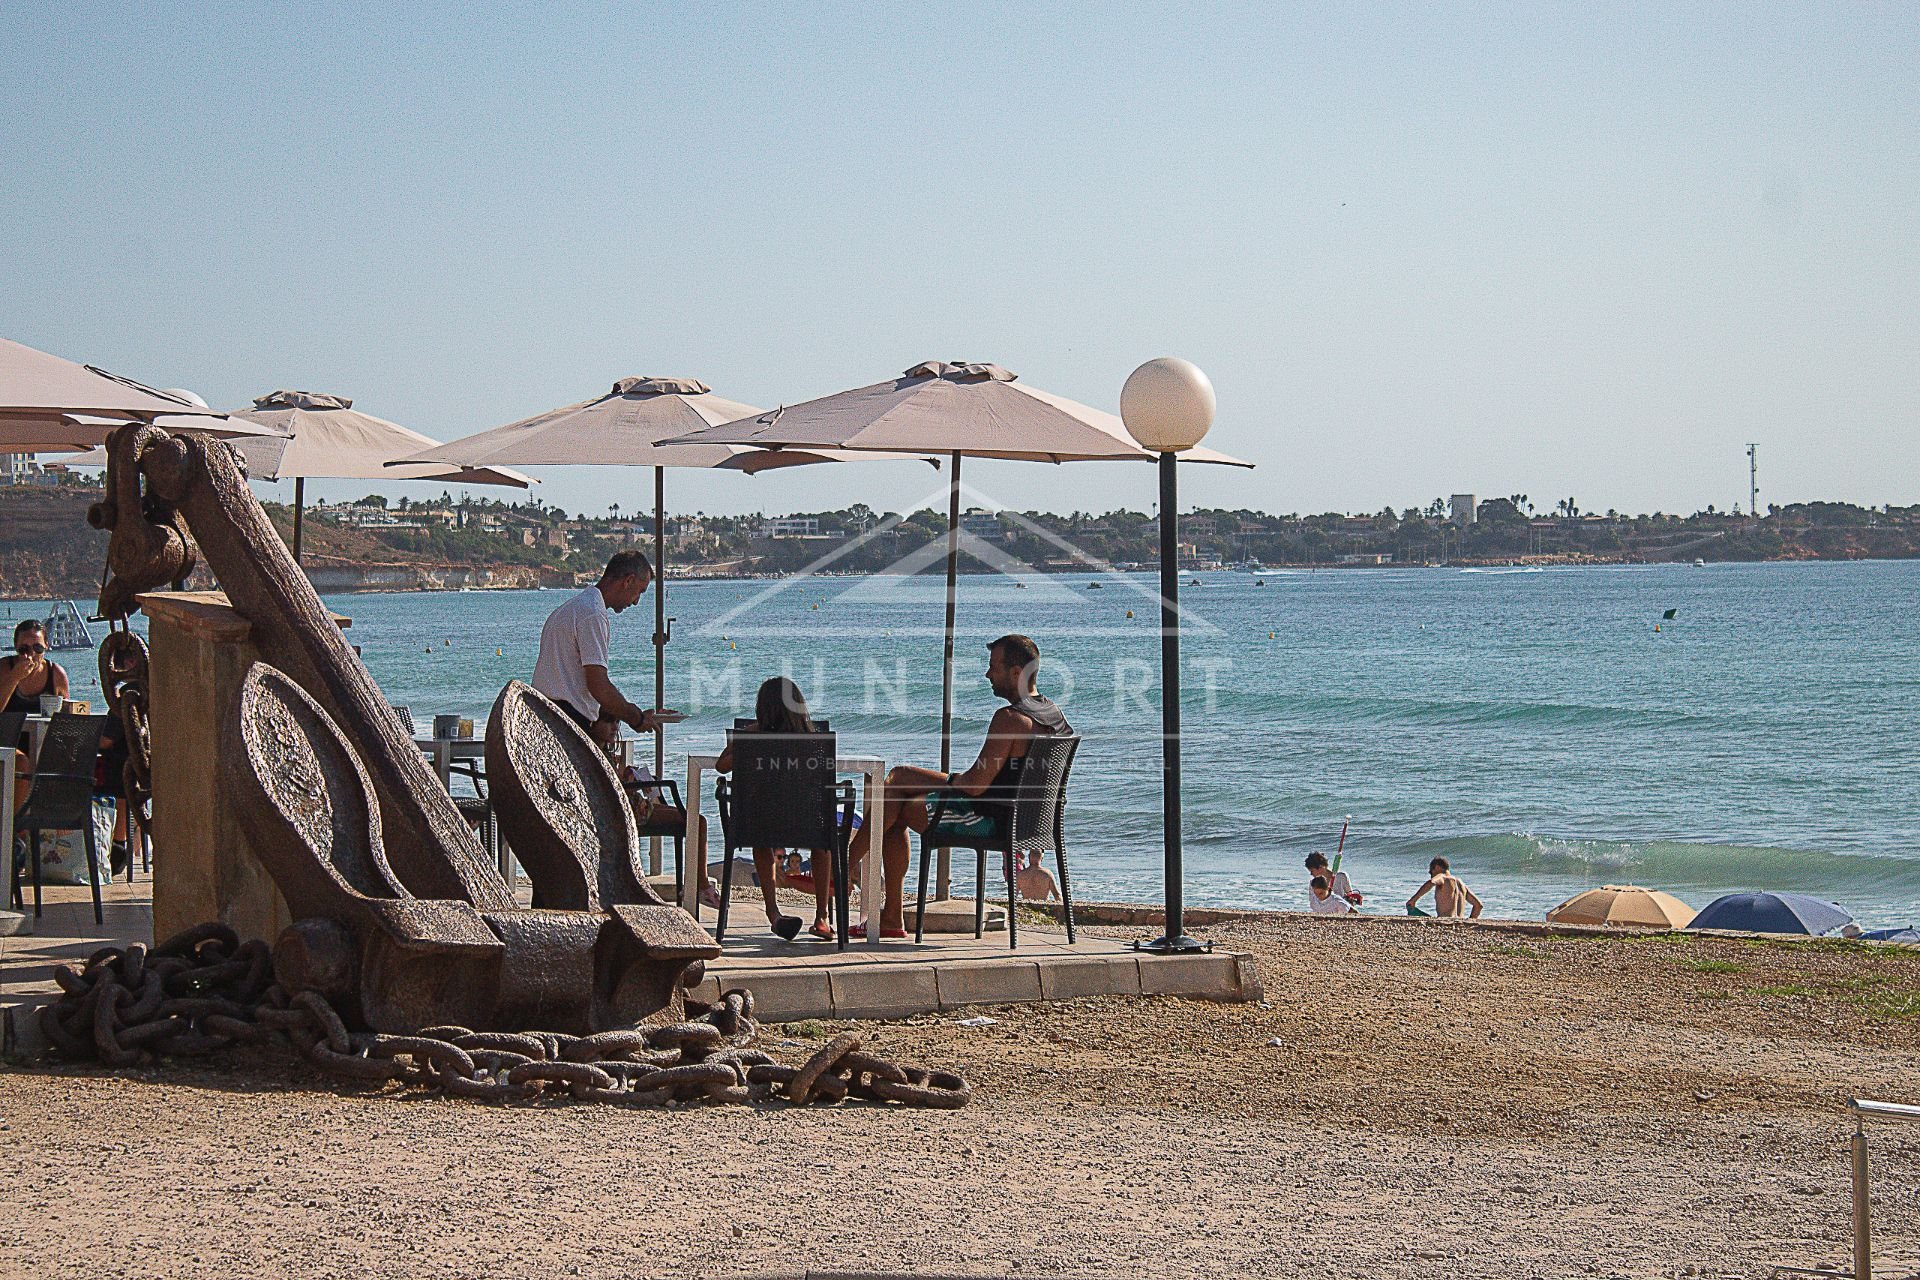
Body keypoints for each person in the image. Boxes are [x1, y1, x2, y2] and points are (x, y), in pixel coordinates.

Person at [846, 634, 1072, 939]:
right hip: (1028, 823)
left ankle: (847, 872)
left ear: (1016, 672)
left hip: (989, 822)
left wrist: (912, 775)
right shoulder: (1055, 716)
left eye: (994, 667)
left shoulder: (1011, 719)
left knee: (896, 793)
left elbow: (974, 785)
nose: (987, 674)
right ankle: (878, 903)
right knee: (898, 792)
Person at [715, 676, 834, 942]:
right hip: (807, 824)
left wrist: (745, 738)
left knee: (761, 840)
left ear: (763, 708)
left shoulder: (751, 737)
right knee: (822, 842)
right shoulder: (814, 740)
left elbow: (721, 766)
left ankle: (773, 912)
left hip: (760, 825)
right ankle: (822, 917)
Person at [532, 550, 675, 743]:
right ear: (628, 581)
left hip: (545, 717)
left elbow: (572, 685)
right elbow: (598, 686)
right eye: (639, 592)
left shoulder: (571, 608)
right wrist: (637, 719)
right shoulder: (593, 614)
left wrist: (637, 713)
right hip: (566, 725)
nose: (636, 601)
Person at [1, 620, 68, 810]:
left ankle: (55, 822)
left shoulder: (55, 674)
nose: (31, 654)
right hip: (6, 742)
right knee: (22, 762)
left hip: (42, 743)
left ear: (47, 645)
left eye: (37, 648)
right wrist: (14, 678)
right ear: (16, 648)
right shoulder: (5, 669)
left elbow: (67, 717)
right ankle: (16, 824)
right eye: (24, 649)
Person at [1407, 856, 1483, 918]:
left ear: (1437, 867)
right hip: (1460, 921)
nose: (1431, 875)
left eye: (1431, 872)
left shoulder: (1442, 877)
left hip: (1447, 919)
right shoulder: (1461, 884)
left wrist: (1413, 900)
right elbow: (1478, 906)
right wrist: (1470, 921)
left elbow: (1430, 883)